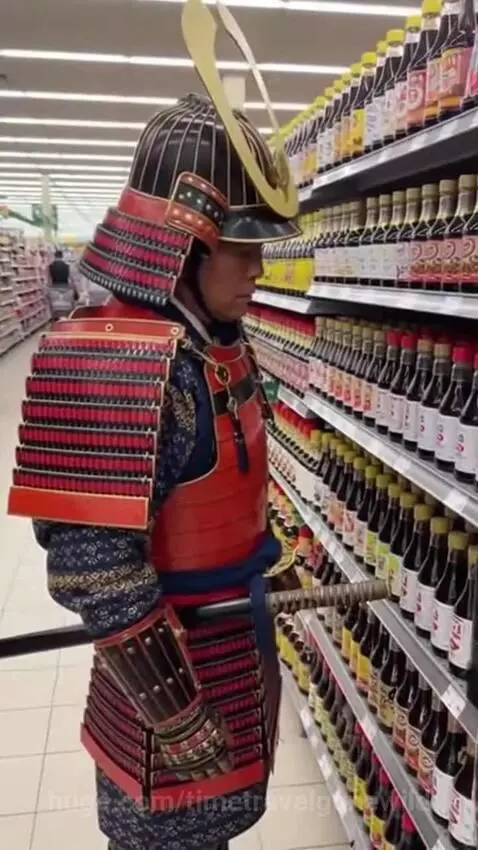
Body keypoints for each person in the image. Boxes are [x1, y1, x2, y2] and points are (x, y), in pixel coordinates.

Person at [7, 1, 300, 848]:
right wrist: (174, 716)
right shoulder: (117, 361)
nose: (258, 267)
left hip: (230, 652)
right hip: (164, 685)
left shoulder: (217, 347)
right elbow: (94, 568)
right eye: (240, 248)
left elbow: (233, 490)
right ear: (184, 240)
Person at [47, 248, 74, 318]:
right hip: (65, 287)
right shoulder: (67, 266)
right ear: (62, 256)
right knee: (67, 306)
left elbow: (48, 279)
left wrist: (48, 288)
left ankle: (56, 319)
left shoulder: (50, 266)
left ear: (54, 256)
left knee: (55, 307)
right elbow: (70, 279)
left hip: (54, 287)